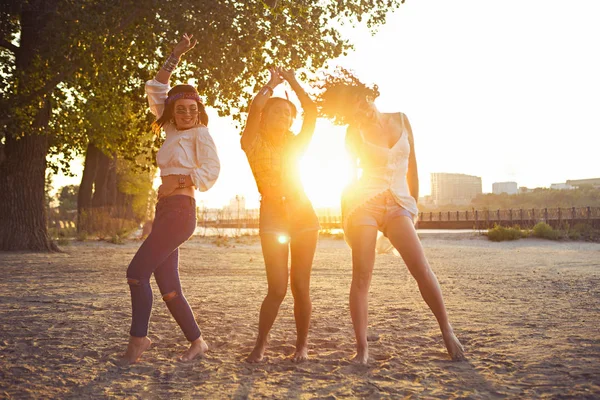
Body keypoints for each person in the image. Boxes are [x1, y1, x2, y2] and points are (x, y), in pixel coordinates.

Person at [319, 78, 465, 364]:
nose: (362, 110)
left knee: (421, 267)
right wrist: (345, 212)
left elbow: (413, 169)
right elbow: (349, 175)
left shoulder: (402, 119)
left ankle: (447, 331)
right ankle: (362, 348)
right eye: (354, 110)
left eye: (363, 102)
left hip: (399, 202)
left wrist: (414, 207)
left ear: (369, 94)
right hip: (364, 203)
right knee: (362, 275)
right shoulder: (353, 132)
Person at [121, 34, 220, 364]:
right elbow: (157, 88)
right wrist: (175, 54)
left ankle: (138, 341)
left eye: (193, 109)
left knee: (136, 273)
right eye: (181, 109)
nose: (188, 114)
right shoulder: (172, 131)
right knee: (168, 286)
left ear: (198, 111)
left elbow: (211, 170)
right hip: (164, 210)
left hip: (181, 211)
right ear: (172, 113)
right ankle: (198, 342)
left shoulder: (200, 134)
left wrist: (180, 178)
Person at [241, 67, 319, 362]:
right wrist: (270, 85)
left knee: (300, 286)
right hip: (272, 215)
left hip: (303, 214)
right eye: (277, 113)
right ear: (265, 117)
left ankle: (302, 346)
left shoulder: (296, 143)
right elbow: (254, 108)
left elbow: (311, 113)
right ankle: (260, 345)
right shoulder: (252, 142)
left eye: (288, 115)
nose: (284, 118)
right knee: (276, 287)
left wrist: (295, 83)